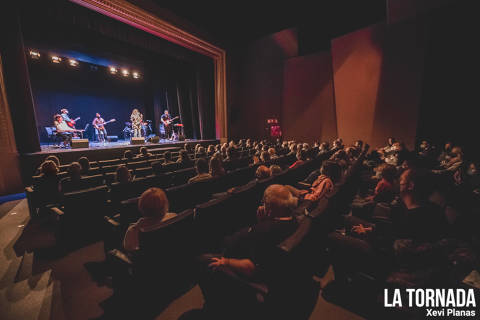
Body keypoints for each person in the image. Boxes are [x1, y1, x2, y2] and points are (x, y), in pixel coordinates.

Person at [199, 185, 298, 314]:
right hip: (278, 272)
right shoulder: (295, 221)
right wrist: (263, 221)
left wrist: (226, 262)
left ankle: (215, 308)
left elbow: (250, 267)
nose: (262, 205)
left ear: (269, 207)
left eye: (264, 202)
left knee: (203, 260)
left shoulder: (263, 231)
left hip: (255, 275)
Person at [123, 188, 177, 252]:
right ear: (166, 204)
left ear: (141, 206)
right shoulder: (174, 217)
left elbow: (128, 248)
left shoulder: (134, 230)